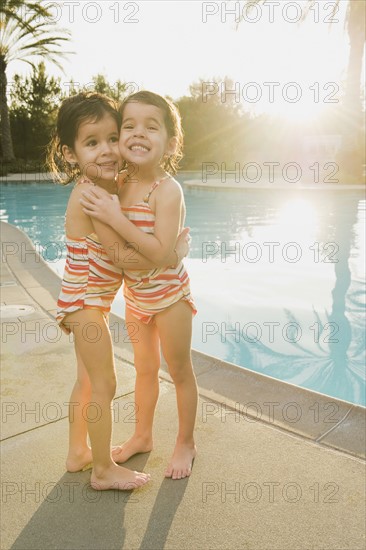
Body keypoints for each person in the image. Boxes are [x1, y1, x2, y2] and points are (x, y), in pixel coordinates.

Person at [47, 91, 189, 490]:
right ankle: (103, 471)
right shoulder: (96, 196)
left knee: (86, 382)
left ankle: (78, 452)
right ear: (71, 153)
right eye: (92, 143)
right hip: (88, 304)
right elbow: (126, 259)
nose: (108, 150)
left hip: (80, 300)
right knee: (105, 384)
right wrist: (172, 255)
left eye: (113, 138)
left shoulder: (106, 186)